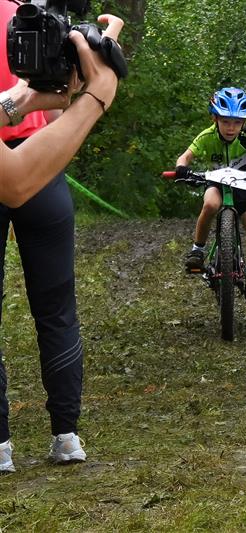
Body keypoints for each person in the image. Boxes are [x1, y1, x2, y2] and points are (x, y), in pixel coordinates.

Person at [0, 9, 126, 473]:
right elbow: (62, 87)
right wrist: (95, 92)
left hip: (14, 157)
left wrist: (19, 102)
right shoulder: (36, 16)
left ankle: (0, 448)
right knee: (56, 306)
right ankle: (66, 436)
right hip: (42, 160)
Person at [177, 87, 246, 304]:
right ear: (214, 118)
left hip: (243, 189)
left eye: (237, 122)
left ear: (244, 123)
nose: (231, 128)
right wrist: (181, 168)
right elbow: (185, 157)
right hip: (216, 184)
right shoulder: (206, 136)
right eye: (225, 121)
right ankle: (198, 249)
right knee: (210, 205)